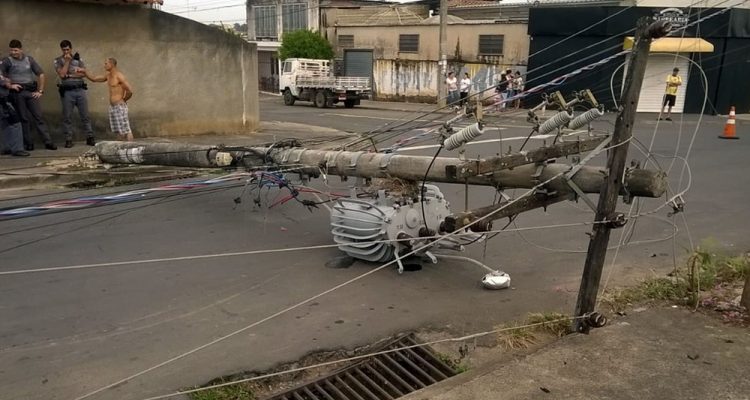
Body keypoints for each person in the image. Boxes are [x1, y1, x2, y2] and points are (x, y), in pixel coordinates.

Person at [0, 39, 57, 151]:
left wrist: (40, 91)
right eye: (11, 50)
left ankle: (48, 141)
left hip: (31, 91)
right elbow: (1, 75)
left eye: (16, 50)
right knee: (24, 118)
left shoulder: (29, 60)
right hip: (17, 93)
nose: (13, 53)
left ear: (21, 49)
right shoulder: (7, 61)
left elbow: (40, 74)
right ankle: (28, 143)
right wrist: (10, 86)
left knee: (39, 117)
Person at [54, 40, 94, 148]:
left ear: (71, 48)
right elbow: (62, 75)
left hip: (80, 90)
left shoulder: (78, 59)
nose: (66, 51)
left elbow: (83, 74)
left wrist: (69, 75)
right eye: (64, 49)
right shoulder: (58, 60)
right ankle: (68, 139)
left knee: (85, 115)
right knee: (67, 116)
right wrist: (67, 62)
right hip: (67, 92)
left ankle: (90, 137)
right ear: (61, 50)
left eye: (67, 49)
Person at [83, 57, 134, 141]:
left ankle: (132, 150)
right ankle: (120, 151)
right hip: (112, 107)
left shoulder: (119, 76)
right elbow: (94, 79)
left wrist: (123, 100)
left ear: (112, 64)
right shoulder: (108, 76)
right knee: (118, 131)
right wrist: (85, 72)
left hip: (120, 106)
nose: (104, 65)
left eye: (106, 63)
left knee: (126, 130)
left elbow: (130, 90)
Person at [1, 72, 29, 156]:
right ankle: (17, 149)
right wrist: (8, 85)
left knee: (4, 124)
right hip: (2, 101)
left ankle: (6, 147)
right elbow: (4, 81)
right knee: (15, 123)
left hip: (3, 100)